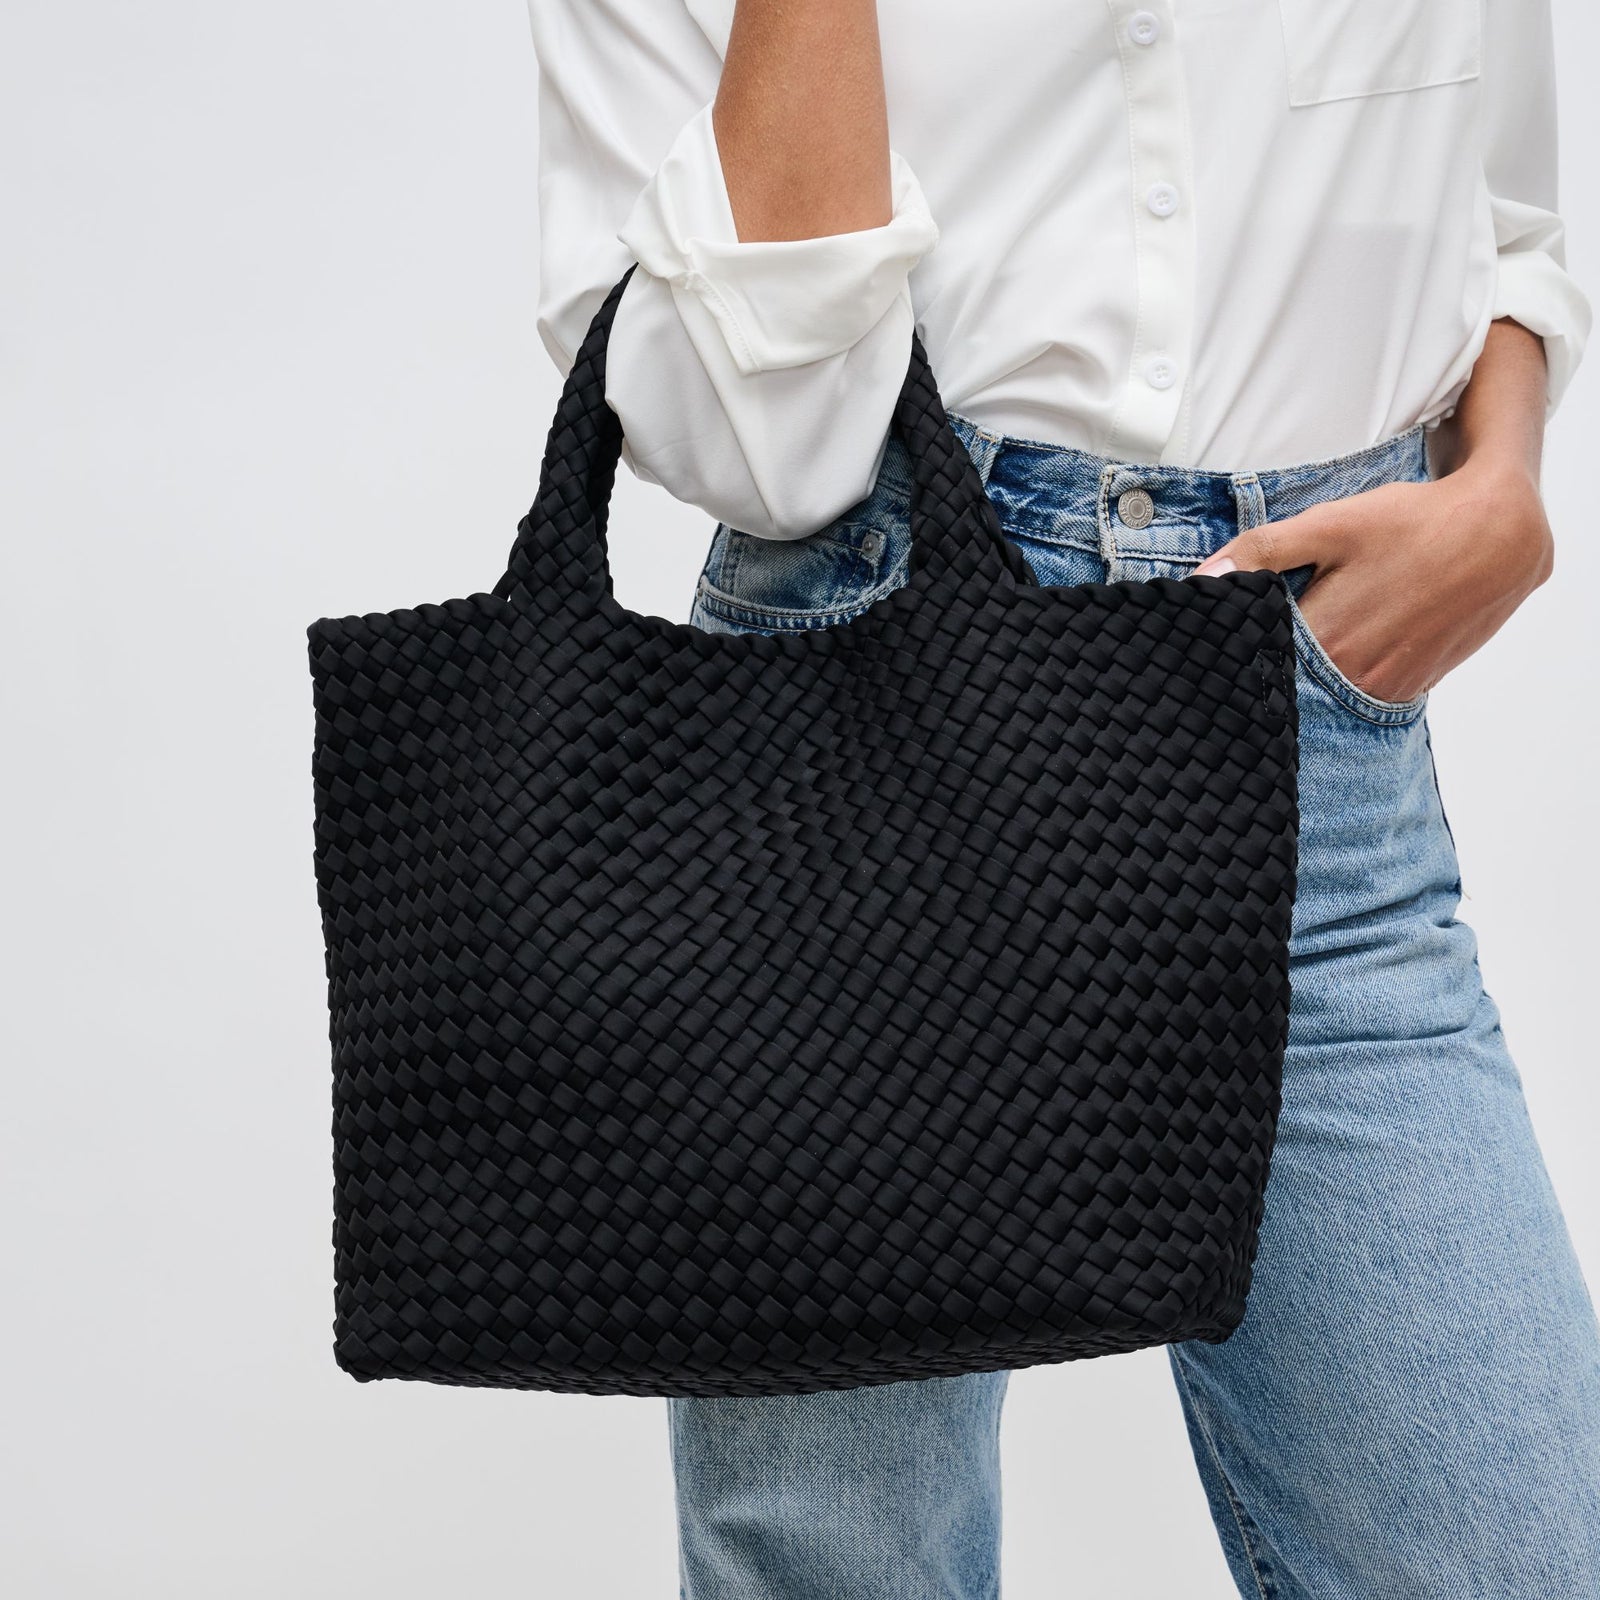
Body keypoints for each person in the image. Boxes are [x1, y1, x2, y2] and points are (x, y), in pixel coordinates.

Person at [526, 2, 1600, 1594]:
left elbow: (1501, 217)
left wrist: (1499, 489)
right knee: (845, 1570)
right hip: (852, 755)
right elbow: (763, 450)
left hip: (1311, 738)